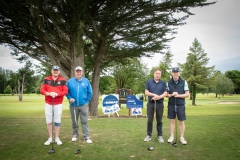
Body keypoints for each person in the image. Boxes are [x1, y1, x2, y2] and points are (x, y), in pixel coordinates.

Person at [40, 65, 68, 145]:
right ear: (51, 71)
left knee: (57, 121)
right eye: (54, 70)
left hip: (58, 104)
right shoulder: (46, 79)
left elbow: (65, 91)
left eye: (57, 70)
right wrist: (48, 93)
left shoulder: (63, 80)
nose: (55, 71)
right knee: (49, 121)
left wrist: (57, 94)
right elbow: (42, 90)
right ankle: (50, 138)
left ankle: (57, 138)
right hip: (48, 103)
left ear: (59, 71)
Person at [66, 66, 93, 144]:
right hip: (73, 105)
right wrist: (69, 98)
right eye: (77, 71)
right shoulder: (70, 82)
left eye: (80, 71)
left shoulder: (86, 81)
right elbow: (66, 92)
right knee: (74, 121)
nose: (78, 73)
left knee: (84, 121)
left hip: (83, 105)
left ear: (82, 72)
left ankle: (86, 136)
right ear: (75, 72)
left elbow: (90, 92)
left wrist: (87, 101)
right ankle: (75, 134)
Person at [166, 67, 189, 145]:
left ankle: (182, 137)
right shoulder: (168, 83)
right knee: (172, 120)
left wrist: (178, 95)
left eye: (177, 72)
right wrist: (172, 94)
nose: (175, 73)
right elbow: (167, 95)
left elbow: (187, 94)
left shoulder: (184, 82)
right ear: (172, 73)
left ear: (179, 73)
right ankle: (172, 136)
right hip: (171, 104)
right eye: (174, 72)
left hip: (180, 104)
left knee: (181, 121)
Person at [144, 69, 167, 143]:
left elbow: (165, 93)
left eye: (159, 73)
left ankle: (160, 136)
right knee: (150, 120)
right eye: (156, 73)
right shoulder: (149, 82)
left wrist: (159, 97)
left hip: (159, 103)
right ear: (154, 74)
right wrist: (154, 95)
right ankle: (148, 135)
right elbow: (146, 92)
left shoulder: (163, 83)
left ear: (160, 75)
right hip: (151, 103)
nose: (157, 75)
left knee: (159, 120)